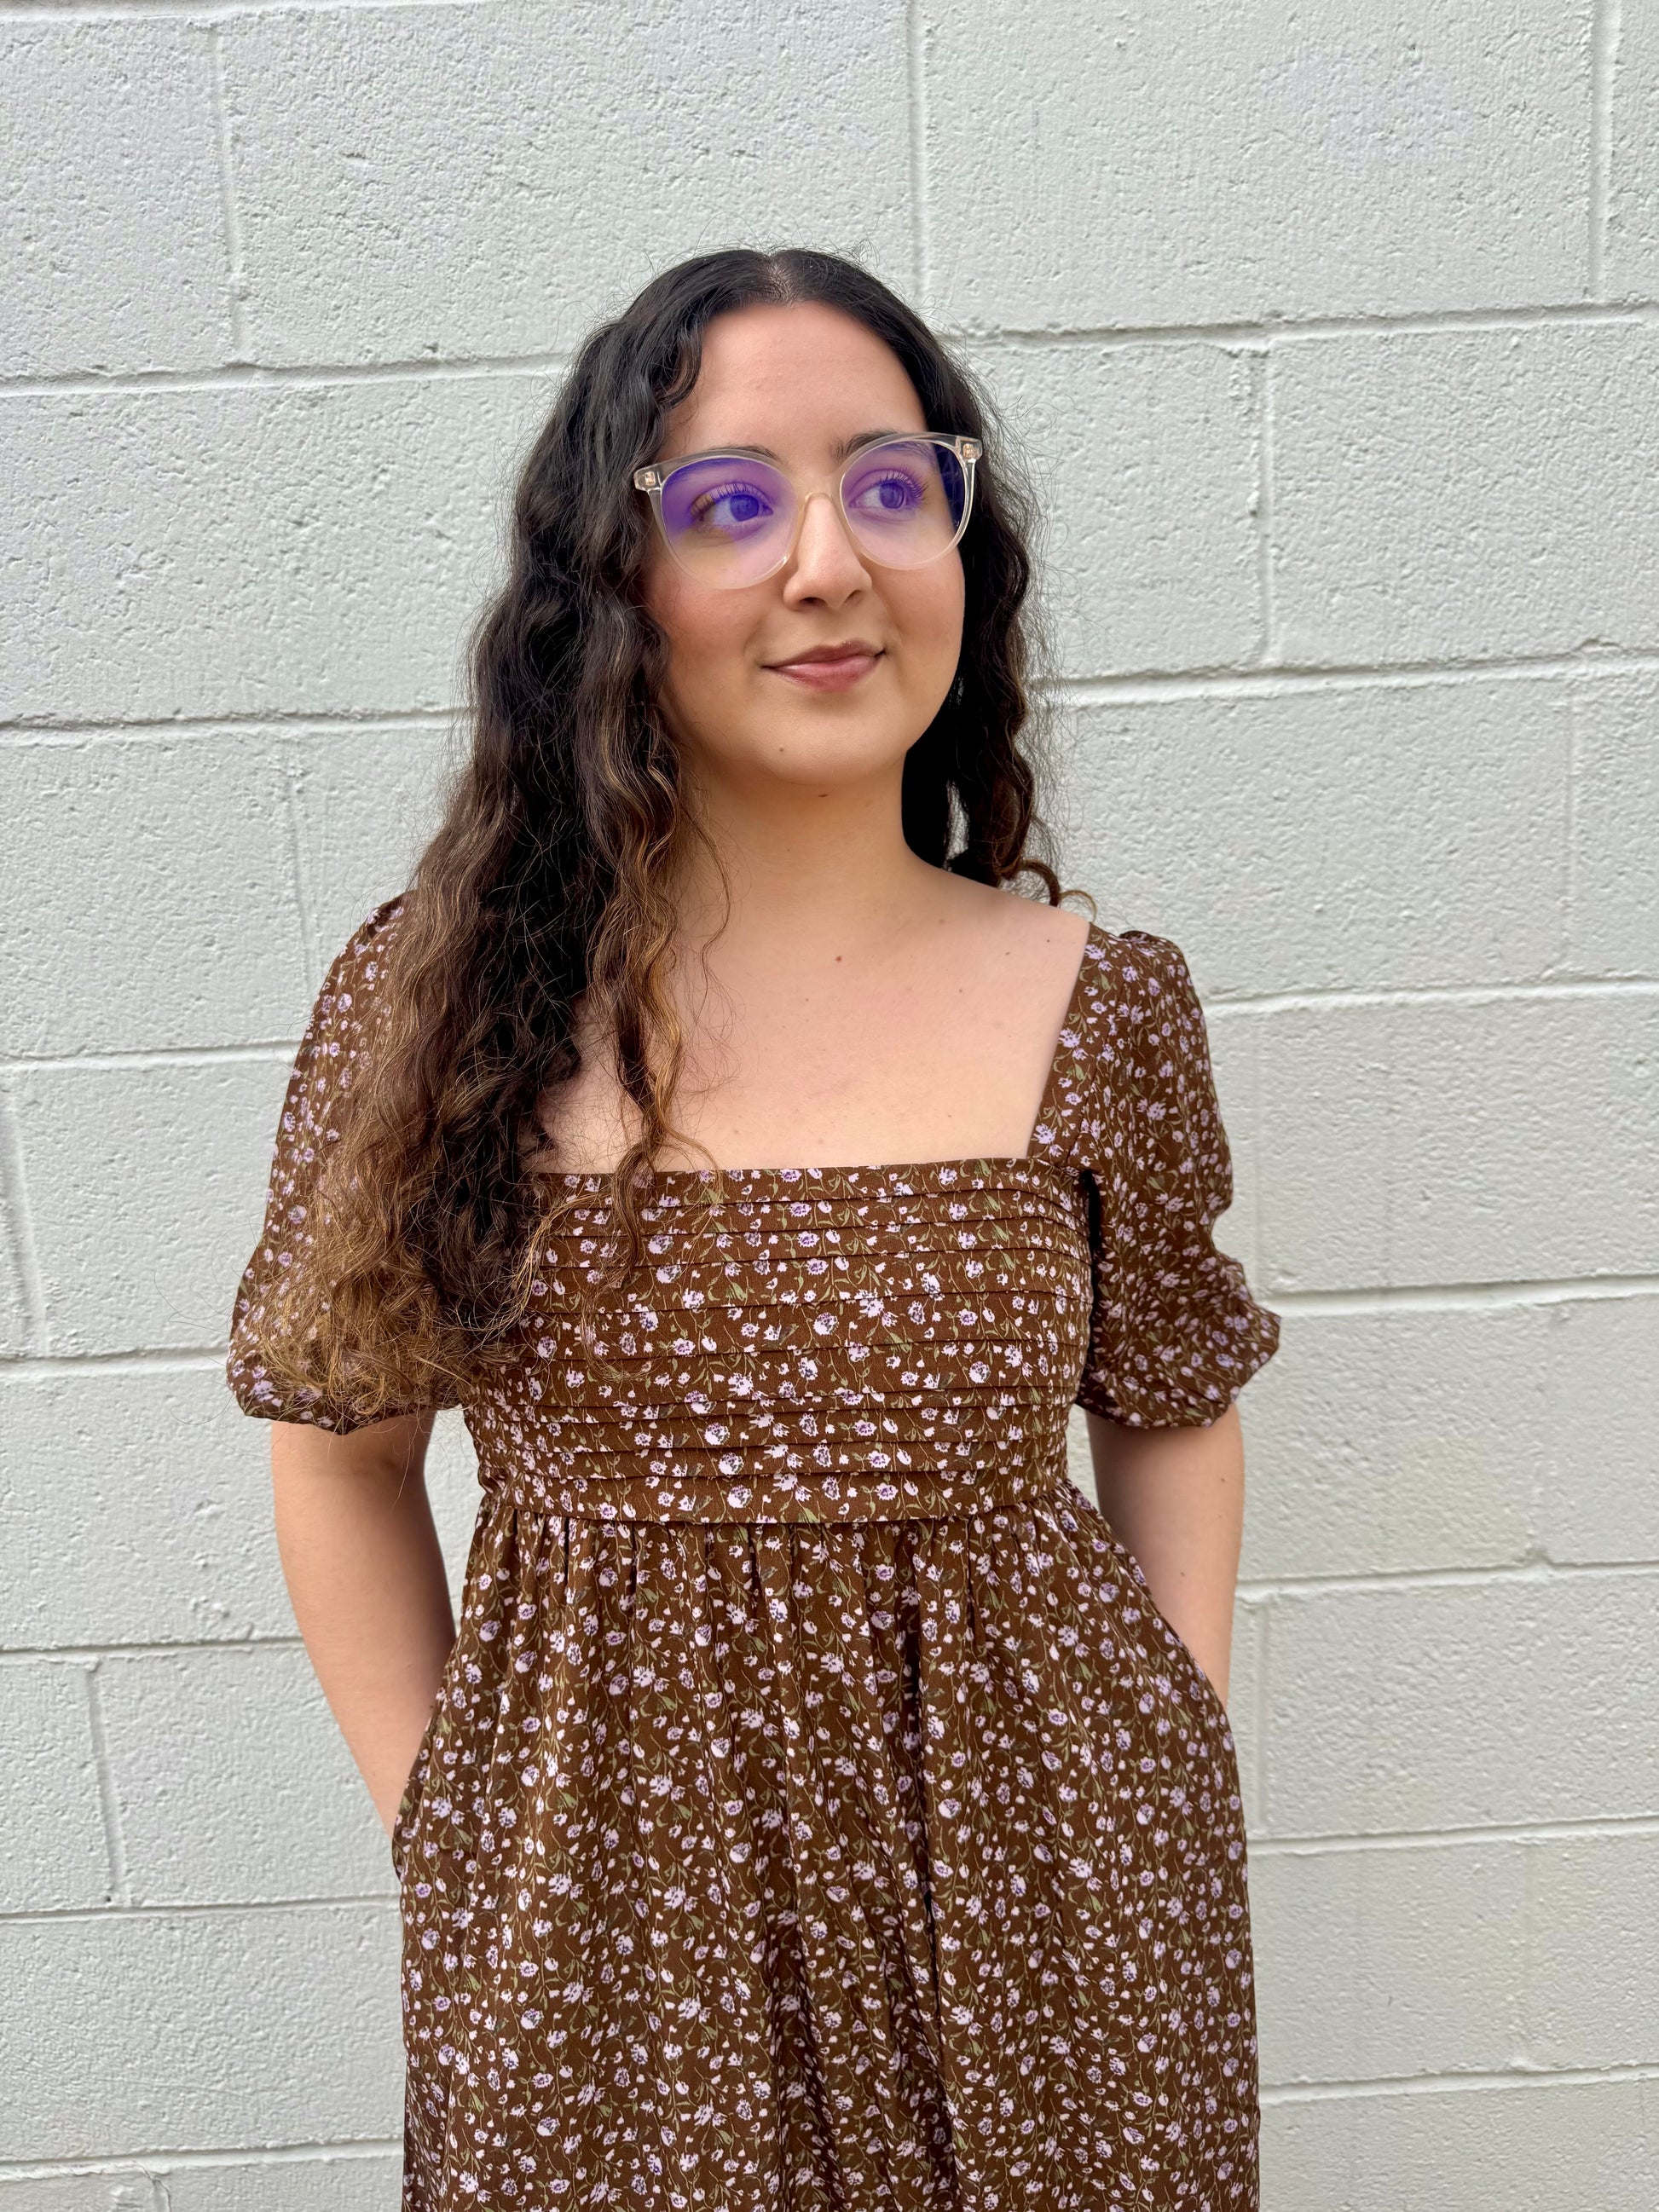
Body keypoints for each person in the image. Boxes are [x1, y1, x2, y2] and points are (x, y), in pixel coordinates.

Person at [227, 245, 1280, 2212]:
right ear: (610, 580)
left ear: (963, 543)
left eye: (891, 485)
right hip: (599, 1958)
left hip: (1060, 1933)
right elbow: (342, 1454)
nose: (826, 561)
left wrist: (1166, 1757)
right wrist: (450, 1833)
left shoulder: (1103, 1006)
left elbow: (1171, 1399)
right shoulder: (435, 1013)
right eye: (729, 501)